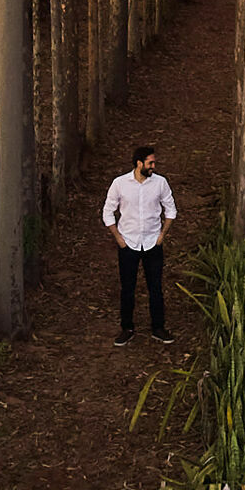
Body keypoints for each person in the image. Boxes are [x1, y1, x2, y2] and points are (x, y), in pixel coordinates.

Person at [103, 145, 177, 346]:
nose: (154, 166)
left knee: (155, 287)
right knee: (128, 287)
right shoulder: (120, 184)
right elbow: (107, 211)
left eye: (154, 162)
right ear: (139, 163)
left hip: (153, 242)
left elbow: (171, 210)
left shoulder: (160, 183)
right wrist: (118, 237)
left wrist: (162, 235)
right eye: (150, 162)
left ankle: (158, 328)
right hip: (129, 243)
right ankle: (127, 328)